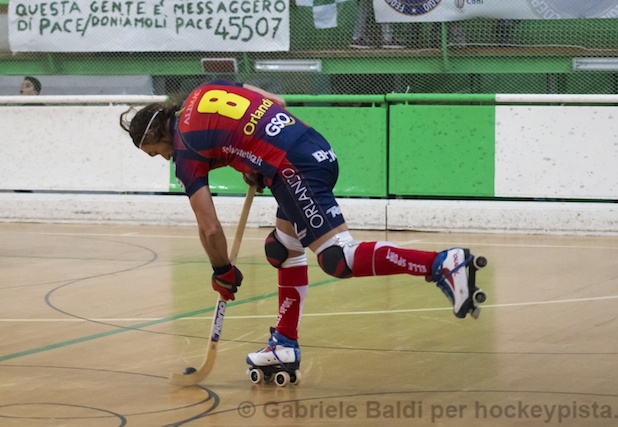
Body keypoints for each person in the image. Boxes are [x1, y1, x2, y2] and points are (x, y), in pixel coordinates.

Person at [119, 79, 485, 383]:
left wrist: (222, 270)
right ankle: (283, 343)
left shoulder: (185, 152)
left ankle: (442, 263)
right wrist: (254, 161)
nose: (164, 158)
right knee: (282, 249)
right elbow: (274, 104)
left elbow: (210, 227)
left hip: (292, 167)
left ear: (159, 136)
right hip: (311, 147)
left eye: (156, 152)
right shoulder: (206, 91)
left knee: (337, 258)